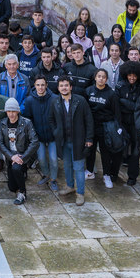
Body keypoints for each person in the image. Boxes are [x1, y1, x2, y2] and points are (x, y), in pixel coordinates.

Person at [52, 76, 94, 206]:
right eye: (61, 86)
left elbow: (89, 120)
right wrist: (56, 132)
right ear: (58, 88)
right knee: (67, 166)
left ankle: (80, 193)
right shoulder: (55, 102)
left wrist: (89, 139)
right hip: (64, 142)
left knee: (79, 168)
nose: (64, 88)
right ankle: (70, 186)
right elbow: (51, 120)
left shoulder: (80, 101)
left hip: (78, 141)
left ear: (71, 87)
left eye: (66, 85)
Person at [85, 69, 124, 189]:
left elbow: (116, 113)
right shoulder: (88, 91)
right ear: (95, 77)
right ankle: (90, 171)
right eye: (99, 76)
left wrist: (117, 129)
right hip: (91, 126)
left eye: (103, 77)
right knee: (90, 150)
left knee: (105, 152)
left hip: (106, 127)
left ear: (106, 79)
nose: (101, 79)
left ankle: (107, 174)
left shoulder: (111, 94)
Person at [0, 98, 38, 205]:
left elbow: (35, 142)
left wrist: (22, 158)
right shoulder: (2, 124)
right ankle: (20, 177)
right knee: (11, 187)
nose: (11, 114)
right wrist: (11, 157)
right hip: (10, 156)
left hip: (23, 155)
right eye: (9, 111)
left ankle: (22, 192)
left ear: (18, 111)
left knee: (16, 168)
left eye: (13, 111)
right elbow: (0, 143)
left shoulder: (26, 123)